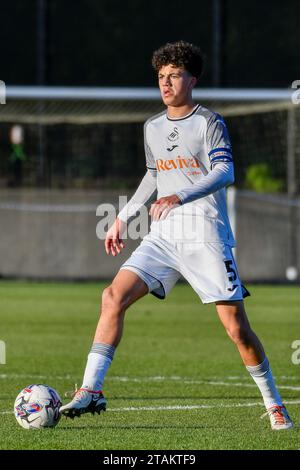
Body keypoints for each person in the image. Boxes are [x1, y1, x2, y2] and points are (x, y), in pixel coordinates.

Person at [60, 40, 293, 430]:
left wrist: (179, 194)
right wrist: (123, 217)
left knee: (237, 329)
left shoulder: (209, 122)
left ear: (193, 79)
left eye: (174, 76)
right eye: (161, 77)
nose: (165, 84)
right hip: (163, 236)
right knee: (112, 296)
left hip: (205, 236)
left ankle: (274, 404)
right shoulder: (152, 126)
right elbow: (153, 175)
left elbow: (225, 172)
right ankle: (91, 390)